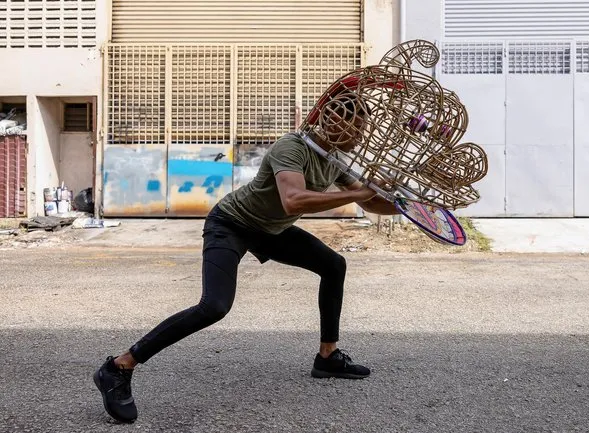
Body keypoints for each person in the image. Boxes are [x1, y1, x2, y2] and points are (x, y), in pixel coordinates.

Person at [93, 96, 398, 424]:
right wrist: (359, 193)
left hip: (270, 230)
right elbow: (293, 200)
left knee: (334, 265)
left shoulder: (333, 157)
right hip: (232, 224)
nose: (362, 136)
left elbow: (371, 204)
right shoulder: (292, 147)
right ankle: (119, 366)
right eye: (358, 127)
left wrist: (409, 205)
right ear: (335, 121)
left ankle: (328, 357)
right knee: (214, 306)